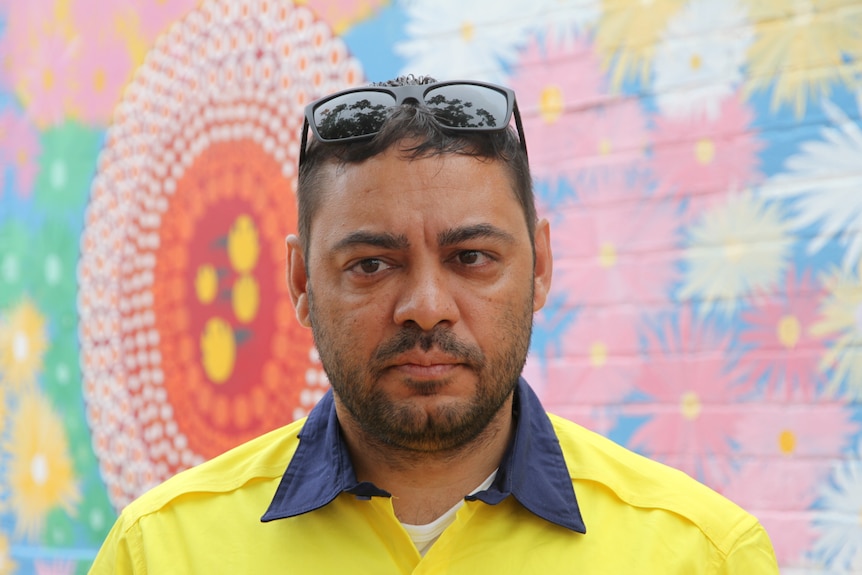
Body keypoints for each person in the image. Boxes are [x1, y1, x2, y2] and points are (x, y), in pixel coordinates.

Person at [89, 75, 780, 574]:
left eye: (471, 257)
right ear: (302, 281)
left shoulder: (700, 554)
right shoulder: (160, 552)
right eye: (370, 264)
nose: (425, 304)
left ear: (539, 266)